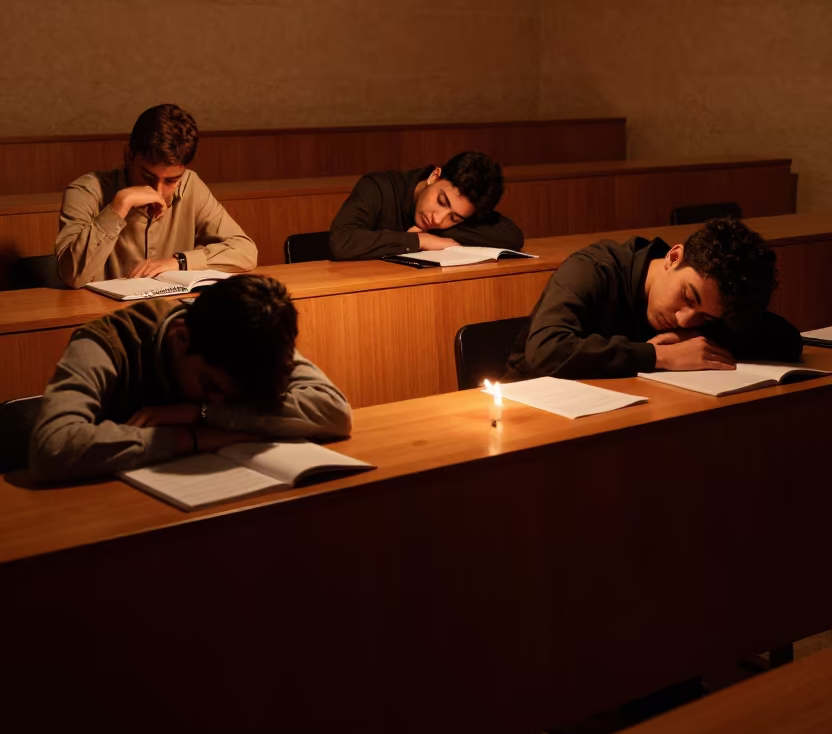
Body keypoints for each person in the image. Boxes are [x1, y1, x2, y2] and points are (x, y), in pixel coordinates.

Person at [29, 274, 351, 483]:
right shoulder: (107, 342)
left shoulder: (254, 336)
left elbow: (333, 411)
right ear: (181, 338)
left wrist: (204, 414)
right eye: (210, 387)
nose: (218, 401)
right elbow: (52, 447)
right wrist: (189, 437)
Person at [505, 217, 802, 381]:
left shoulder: (700, 314)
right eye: (687, 296)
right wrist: (660, 356)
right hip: (529, 409)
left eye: (706, 317)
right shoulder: (594, 268)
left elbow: (786, 341)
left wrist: (698, 334)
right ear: (673, 257)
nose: (684, 318)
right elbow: (545, 351)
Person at [56, 103, 257, 287]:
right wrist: (118, 206)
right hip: (108, 318)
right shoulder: (85, 191)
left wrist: (180, 262)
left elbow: (245, 252)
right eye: (147, 176)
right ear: (128, 155)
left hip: (173, 316)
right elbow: (72, 276)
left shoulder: (190, 185)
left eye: (171, 181)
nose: (157, 192)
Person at [329, 150, 523, 261]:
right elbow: (342, 241)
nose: (438, 219)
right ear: (434, 176)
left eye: (454, 218)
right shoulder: (380, 186)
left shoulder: (466, 210)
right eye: (441, 201)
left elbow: (511, 237)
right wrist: (420, 241)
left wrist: (435, 236)